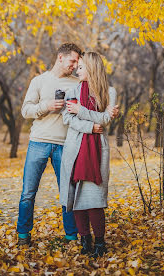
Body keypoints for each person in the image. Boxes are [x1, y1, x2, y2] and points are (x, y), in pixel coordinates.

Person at [17, 43, 82, 246]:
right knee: (28, 192)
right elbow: (25, 110)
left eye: (77, 62)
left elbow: (87, 111)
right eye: (72, 61)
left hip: (66, 145)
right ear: (60, 58)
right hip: (38, 142)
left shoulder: (78, 84)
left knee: (68, 193)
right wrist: (46, 106)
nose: (75, 65)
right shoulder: (40, 81)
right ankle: (23, 235)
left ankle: (71, 236)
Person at [60, 52, 117, 258]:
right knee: (76, 199)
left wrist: (82, 111)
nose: (77, 69)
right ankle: (85, 240)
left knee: (94, 199)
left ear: (92, 69)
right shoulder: (72, 90)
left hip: (97, 151)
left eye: (81, 67)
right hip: (75, 149)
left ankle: (100, 243)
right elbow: (68, 119)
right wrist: (90, 127)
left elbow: (105, 119)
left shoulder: (109, 92)